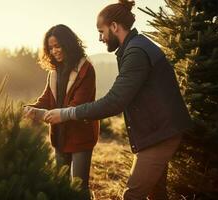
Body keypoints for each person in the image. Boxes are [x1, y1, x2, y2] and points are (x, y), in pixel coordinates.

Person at [43, 1, 193, 199]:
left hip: (160, 133)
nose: (101, 38)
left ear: (114, 27)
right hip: (157, 131)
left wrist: (66, 113)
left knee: (132, 195)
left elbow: (114, 102)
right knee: (157, 194)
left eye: (101, 31)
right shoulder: (134, 48)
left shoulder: (136, 52)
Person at [23, 24, 100, 195]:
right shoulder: (54, 71)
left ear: (68, 44)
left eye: (57, 46)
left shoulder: (86, 70)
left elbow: (77, 106)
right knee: (59, 184)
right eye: (50, 48)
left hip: (81, 136)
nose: (54, 51)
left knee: (79, 188)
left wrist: (40, 114)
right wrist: (31, 108)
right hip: (59, 136)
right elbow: (46, 99)